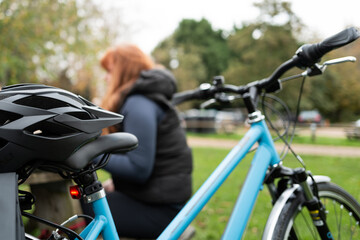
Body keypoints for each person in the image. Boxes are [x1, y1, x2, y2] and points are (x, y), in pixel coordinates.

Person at [90, 44, 193, 238]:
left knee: (83, 206)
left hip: (161, 212)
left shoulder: (139, 103)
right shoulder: (145, 98)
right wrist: (116, 181)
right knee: (90, 199)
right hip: (158, 202)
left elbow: (139, 169)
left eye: (109, 71)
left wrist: (91, 153)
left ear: (123, 71)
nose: (106, 77)